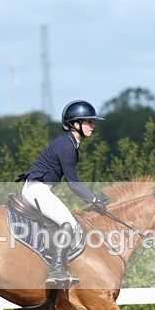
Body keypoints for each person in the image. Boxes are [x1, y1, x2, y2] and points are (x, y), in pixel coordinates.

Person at [16, 100, 108, 288]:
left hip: (38, 188)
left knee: (66, 223)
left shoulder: (69, 143)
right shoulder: (67, 146)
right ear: (76, 124)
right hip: (36, 190)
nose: (93, 125)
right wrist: (94, 200)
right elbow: (73, 183)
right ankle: (56, 270)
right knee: (70, 224)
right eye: (89, 122)